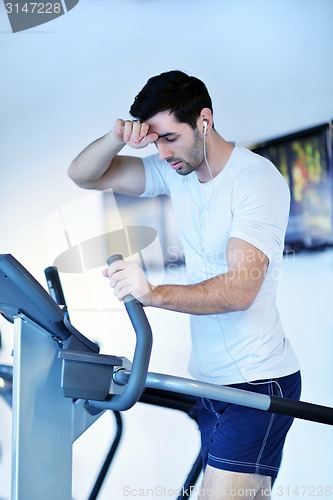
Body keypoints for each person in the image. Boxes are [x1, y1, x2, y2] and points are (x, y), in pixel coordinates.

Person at [68, 70, 301, 499]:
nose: (161, 152)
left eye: (169, 137)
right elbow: (84, 174)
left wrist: (152, 294)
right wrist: (117, 136)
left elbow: (239, 289)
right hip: (209, 381)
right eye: (154, 140)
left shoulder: (255, 180)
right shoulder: (178, 172)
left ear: (204, 120)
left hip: (256, 382)